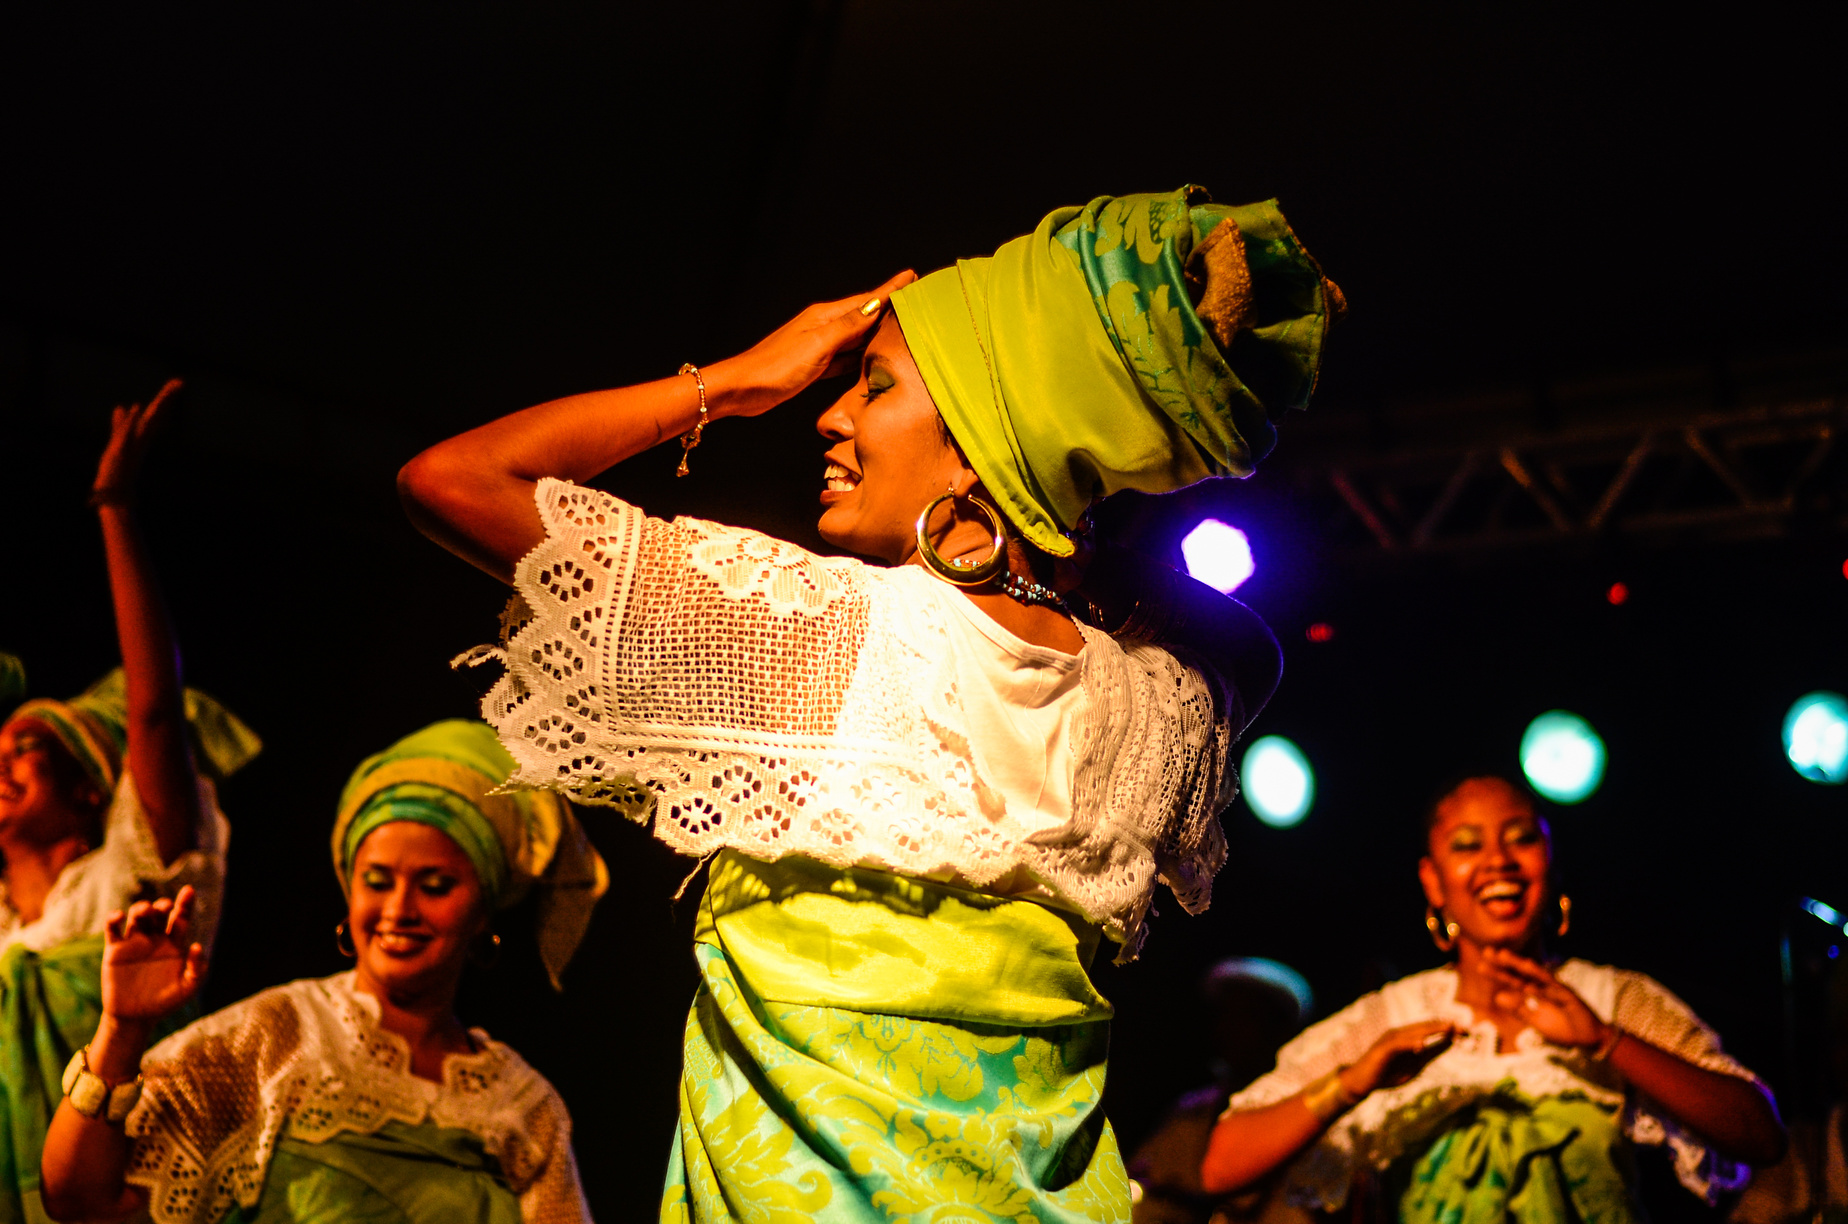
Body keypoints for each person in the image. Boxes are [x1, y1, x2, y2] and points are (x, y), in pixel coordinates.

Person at [399, 184, 1343, 1218]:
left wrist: (737, 379)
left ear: (987, 434)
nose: (830, 413)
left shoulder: (822, 634)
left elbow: (454, 479)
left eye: (876, 386)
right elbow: (1247, 648)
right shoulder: (1154, 707)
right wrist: (1057, 496)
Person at [38, 719, 604, 1224]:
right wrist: (121, 1030)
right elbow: (79, 1201)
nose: (399, 909)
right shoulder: (275, 1040)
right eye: (376, 882)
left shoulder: (523, 1105)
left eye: (435, 886)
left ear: (484, 912)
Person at [1202, 776, 1787, 1224]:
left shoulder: (1614, 999)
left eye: (1521, 839)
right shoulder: (1393, 1016)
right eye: (1467, 844)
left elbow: (1760, 1135)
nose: (1498, 862)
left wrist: (1606, 1041)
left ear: (1549, 862)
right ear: (1434, 882)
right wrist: (1354, 1082)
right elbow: (1222, 1165)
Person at [0, 381, 261, 1223]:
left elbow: (152, 711)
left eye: (25, 752)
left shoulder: (128, 892)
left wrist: (113, 504)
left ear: (87, 788)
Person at [1128, 957, 1318, 1224]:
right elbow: (1141, 1180)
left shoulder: (1306, 1112)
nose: (1227, 1029)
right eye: (1226, 1014)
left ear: (1280, 1030)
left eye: (1246, 1017)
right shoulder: (1193, 1109)